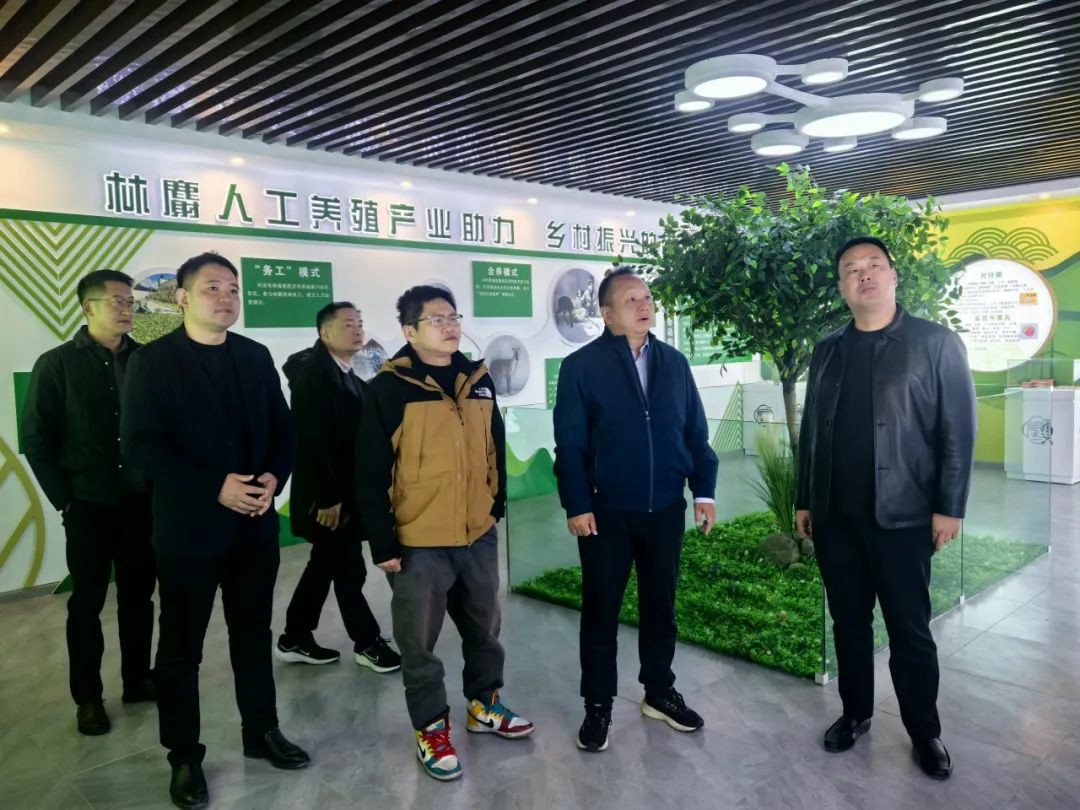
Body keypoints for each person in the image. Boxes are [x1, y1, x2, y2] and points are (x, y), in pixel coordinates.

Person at [121, 253, 309, 810]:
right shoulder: (153, 362)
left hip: (254, 524)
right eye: (211, 288)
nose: (226, 298)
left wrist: (275, 475)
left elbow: (284, 428)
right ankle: (184, 756)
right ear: (182, 297)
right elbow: (142, 447)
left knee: (252, 634)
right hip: (189, 530)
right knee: (182, 648)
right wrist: (214, 487)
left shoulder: (254, 355)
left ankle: (262, 731)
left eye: (232, 288)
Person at [795, 236, 976, 781]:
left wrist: (949, 506)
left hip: (903, 516)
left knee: (909, 630)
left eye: (874, 265)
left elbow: (958, 430)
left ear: (894, 276)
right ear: (842, 287)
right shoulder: (827, 349)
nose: (864, 275)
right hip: (835, 518)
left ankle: (925, 732)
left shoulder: (935, 343)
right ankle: (855, 713)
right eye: (852, 269)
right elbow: (812, 430)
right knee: (848, 623)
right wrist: (804, 498)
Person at [355, 285, 533, 782]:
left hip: (477, 533)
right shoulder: (389, 388)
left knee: (485, 630)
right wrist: (383, 541)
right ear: (410, 331)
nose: (451, 326)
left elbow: (494, 443)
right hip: (418, 541)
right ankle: (431, 728)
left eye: (453, 317)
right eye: (437, 319)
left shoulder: (477, 379)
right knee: (419, 644)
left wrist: (495, 504)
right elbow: (369, 471)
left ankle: (484, 705)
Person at [553, 266, 719, 753]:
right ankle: (598, 704)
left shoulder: (674, 363)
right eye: (630, 300)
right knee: (600, 611)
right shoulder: (582, 367)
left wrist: (703, 491)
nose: (644, 305)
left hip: (665, 508)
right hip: (606, 513)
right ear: (607, 314)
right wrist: (577, 503)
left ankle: (659, 691)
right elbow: (570, 443)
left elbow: (695, 433)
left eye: (647, 298)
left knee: (660, 607)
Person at [23, 269, 156, 737]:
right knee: (87, 604)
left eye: (131, 302)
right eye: (118, 301)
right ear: (88, 307)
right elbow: (36, 439)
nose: (127, 310)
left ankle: (138, 679)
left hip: (141, 502)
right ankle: (88, 698)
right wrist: (65, 501)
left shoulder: (146, 361)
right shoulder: (56, 364)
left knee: (139, 597)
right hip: (88, 505)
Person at [275, 302, 400, 672]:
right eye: (348, 324)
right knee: (348, 569)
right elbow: (312, 441)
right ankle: (367, 642)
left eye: (359, 323)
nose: (357, 330)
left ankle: (294, 636)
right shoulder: (314, 376)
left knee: (324, 565)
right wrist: (328, 499)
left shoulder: (345, 372)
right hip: (328, 500)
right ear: (325, 332)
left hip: (345, 494)